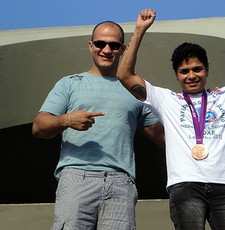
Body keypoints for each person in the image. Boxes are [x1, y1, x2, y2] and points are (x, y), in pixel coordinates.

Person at [117, 9, 225, 230]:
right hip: (185, 188)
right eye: (184, 71)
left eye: (197, 69)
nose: (191, 75)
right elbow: (124, 75)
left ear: (207, 69)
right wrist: (139, 30)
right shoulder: (166, 99)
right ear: (176, 74)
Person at [32, 19, 164, 230]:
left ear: (123, 49)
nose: (106, 49)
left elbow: (164, 138)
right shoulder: (70, 83)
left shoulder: (136, 91)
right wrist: (66, 120)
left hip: (121, 182)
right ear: (90, 45)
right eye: (100, 43)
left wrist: (206, 110)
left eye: (113, 45)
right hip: (76, 177)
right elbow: (39, 127)